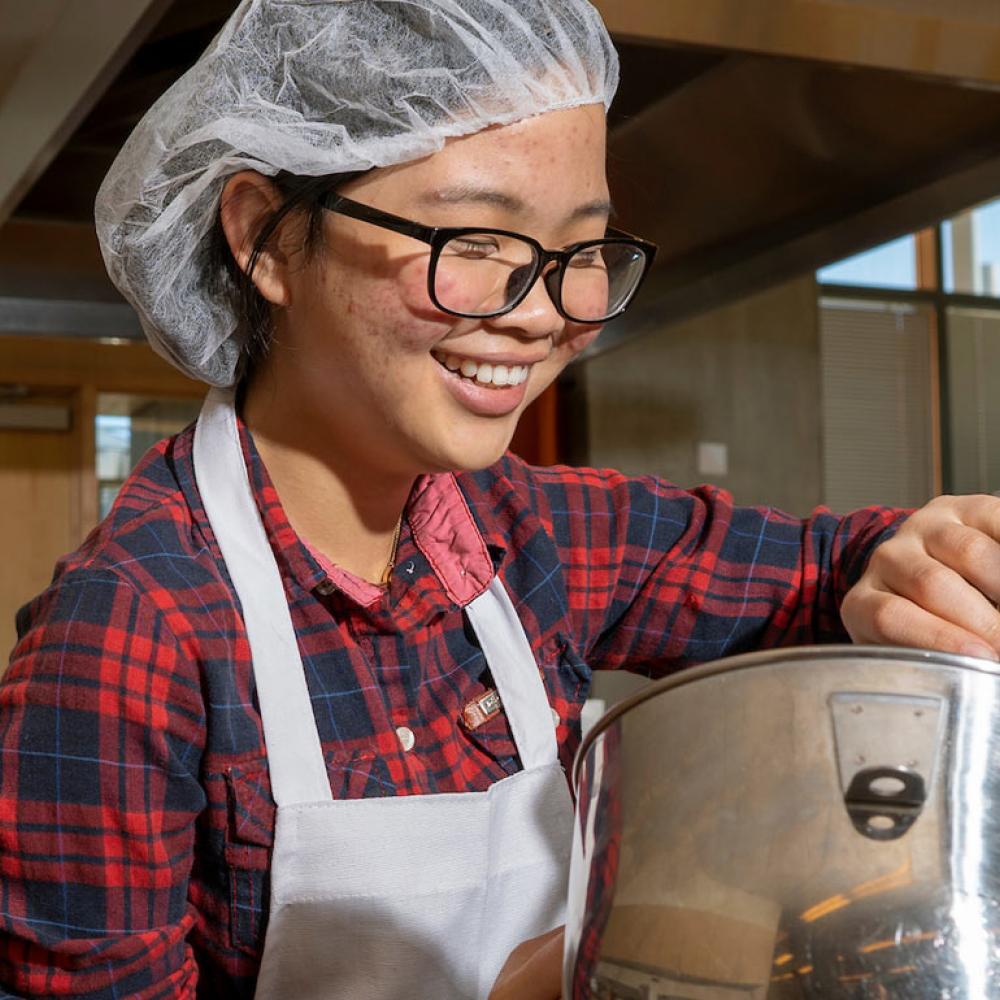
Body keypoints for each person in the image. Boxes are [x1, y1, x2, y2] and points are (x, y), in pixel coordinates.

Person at [2, 1, 1000, 998]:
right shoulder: (131, 630)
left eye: (580, 252)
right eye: (474, 239)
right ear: (264, 238)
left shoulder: (529, 534)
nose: (539, 315)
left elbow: (826, 572)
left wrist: (922, 564)